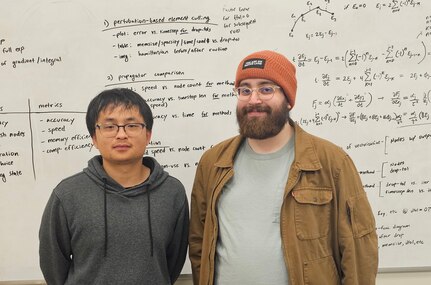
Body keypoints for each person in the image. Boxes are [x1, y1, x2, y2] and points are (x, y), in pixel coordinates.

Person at [189, 50, 378, 285]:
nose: (253, 99)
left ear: (288, 99)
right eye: (244, 90)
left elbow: (358, 249)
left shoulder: (332, 163)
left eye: (266, 89)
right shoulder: (213, 163)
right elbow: (199, 243)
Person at [39, 88, 189, 285]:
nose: (121, 135)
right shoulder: (67, 195)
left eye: (132, 125)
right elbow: (53, 267)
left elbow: (173, 262)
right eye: (110, 127)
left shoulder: (172, 192)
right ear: (94, 137)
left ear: (148, 134)